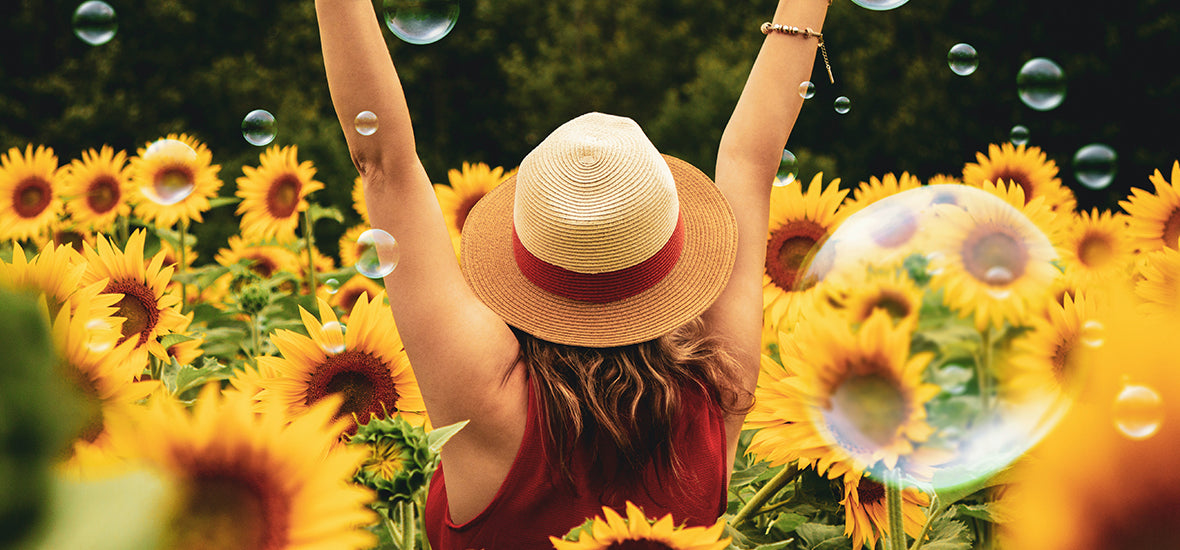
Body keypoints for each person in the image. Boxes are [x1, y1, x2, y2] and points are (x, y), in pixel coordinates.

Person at [315, 1, 830, 547]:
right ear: (671, 263)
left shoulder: (485, 397)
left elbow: (384, 164)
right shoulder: (715, 392)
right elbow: (752, 160)